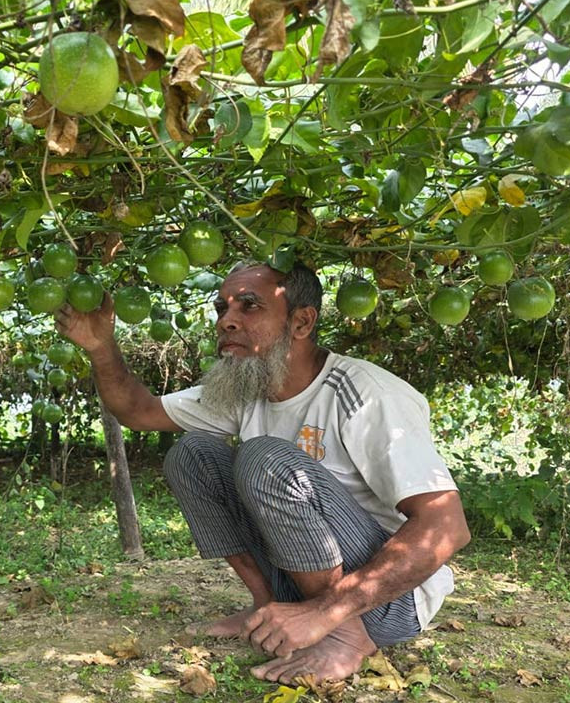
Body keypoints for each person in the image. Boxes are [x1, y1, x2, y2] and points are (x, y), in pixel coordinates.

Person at [54, 259, 470, 685]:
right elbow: (138, 411)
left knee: (265, 459)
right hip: (301, 582)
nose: (227, 321)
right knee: (192, 454)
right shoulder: (249, 389)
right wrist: (100, 346)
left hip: (384, 601)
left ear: (301, 322)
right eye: (222, 308)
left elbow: (447, 526)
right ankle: (266, 604)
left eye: (249, 306)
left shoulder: (366, 395)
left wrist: (327, 613)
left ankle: (346, 637)